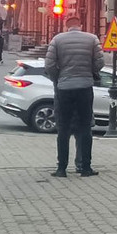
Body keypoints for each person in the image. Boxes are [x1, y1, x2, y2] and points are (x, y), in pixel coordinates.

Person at [45, 15, 105, 178]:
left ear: (67, 26)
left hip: (64, 88)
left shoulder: (57, 40)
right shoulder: (92, 39)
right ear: (81, 25)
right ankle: (85, 168)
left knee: (63, 129)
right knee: (85, 127)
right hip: (85, 87)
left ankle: (61, 169)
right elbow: (100, 62)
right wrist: (89, 72)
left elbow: (49, 65)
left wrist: (59, 78)